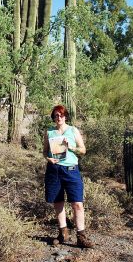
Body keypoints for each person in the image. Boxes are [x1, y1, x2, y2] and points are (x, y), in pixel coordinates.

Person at [43, 104, 94, 248]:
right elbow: (45, 151)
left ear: (65, 116)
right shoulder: (49, 132)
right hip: (54, 170)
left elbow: (83, 150)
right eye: (56, 115)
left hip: (71, 170)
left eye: (61, 115)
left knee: (77, 203)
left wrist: (71, 147)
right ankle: (62, 233)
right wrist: (48, 158)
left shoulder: (73, 130)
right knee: (58, 202)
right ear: (53, 117)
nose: (59, 118)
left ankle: (81, 236)